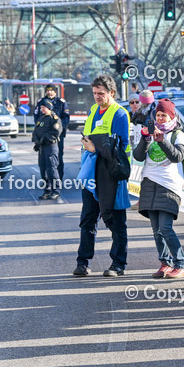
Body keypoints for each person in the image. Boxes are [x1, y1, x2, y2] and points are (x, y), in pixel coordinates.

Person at [74, 74, 131, 277]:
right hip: (91, 172)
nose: (97, 97)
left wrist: (93, 148)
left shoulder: (120, 114)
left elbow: (120, 147)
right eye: (95, 93)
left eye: (101, 93)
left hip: (110, 174)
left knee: (115, 220)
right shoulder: (93, 110)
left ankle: (118, 264)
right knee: (88, 219)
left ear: (112, 93)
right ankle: (83, 262)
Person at [134, 99, 184, 279]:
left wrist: (162, 140)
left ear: (171, 116)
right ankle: (165, 263)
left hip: (169, 185)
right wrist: (145, 140)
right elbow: (138, 156)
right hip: (149, 183)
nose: (160, 118)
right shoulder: (150, 133)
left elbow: (177, 156)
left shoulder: (177, 135)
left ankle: (181, 264)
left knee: (166, 228)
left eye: (163, 115)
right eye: (157, 115)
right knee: (156, 229)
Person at [35, 84, 70, 180]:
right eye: (48, 90)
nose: (49, 92)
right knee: (44, 159)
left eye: (51, 90)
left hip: (57, 135)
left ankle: (58, 179)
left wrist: (58, 131)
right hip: (43, 136)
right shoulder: (41, 102)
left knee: (58, 156)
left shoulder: (61, 102)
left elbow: (65, 118)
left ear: (55, 92)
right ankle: (47, 180)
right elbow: (37, 117)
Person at [32, 98, 63, 200]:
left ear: (49, 108)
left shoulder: (54, 118)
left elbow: (55, 133)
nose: (42, 109)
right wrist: (36, 141)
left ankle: (56, 190)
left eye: (44, 107)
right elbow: (35, 131)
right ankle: (47, 190)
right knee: (43, 170)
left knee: (52, 169)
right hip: (42, 148)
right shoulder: (41, 118)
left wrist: (44, 138)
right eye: (41, 107)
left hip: (50, 147)